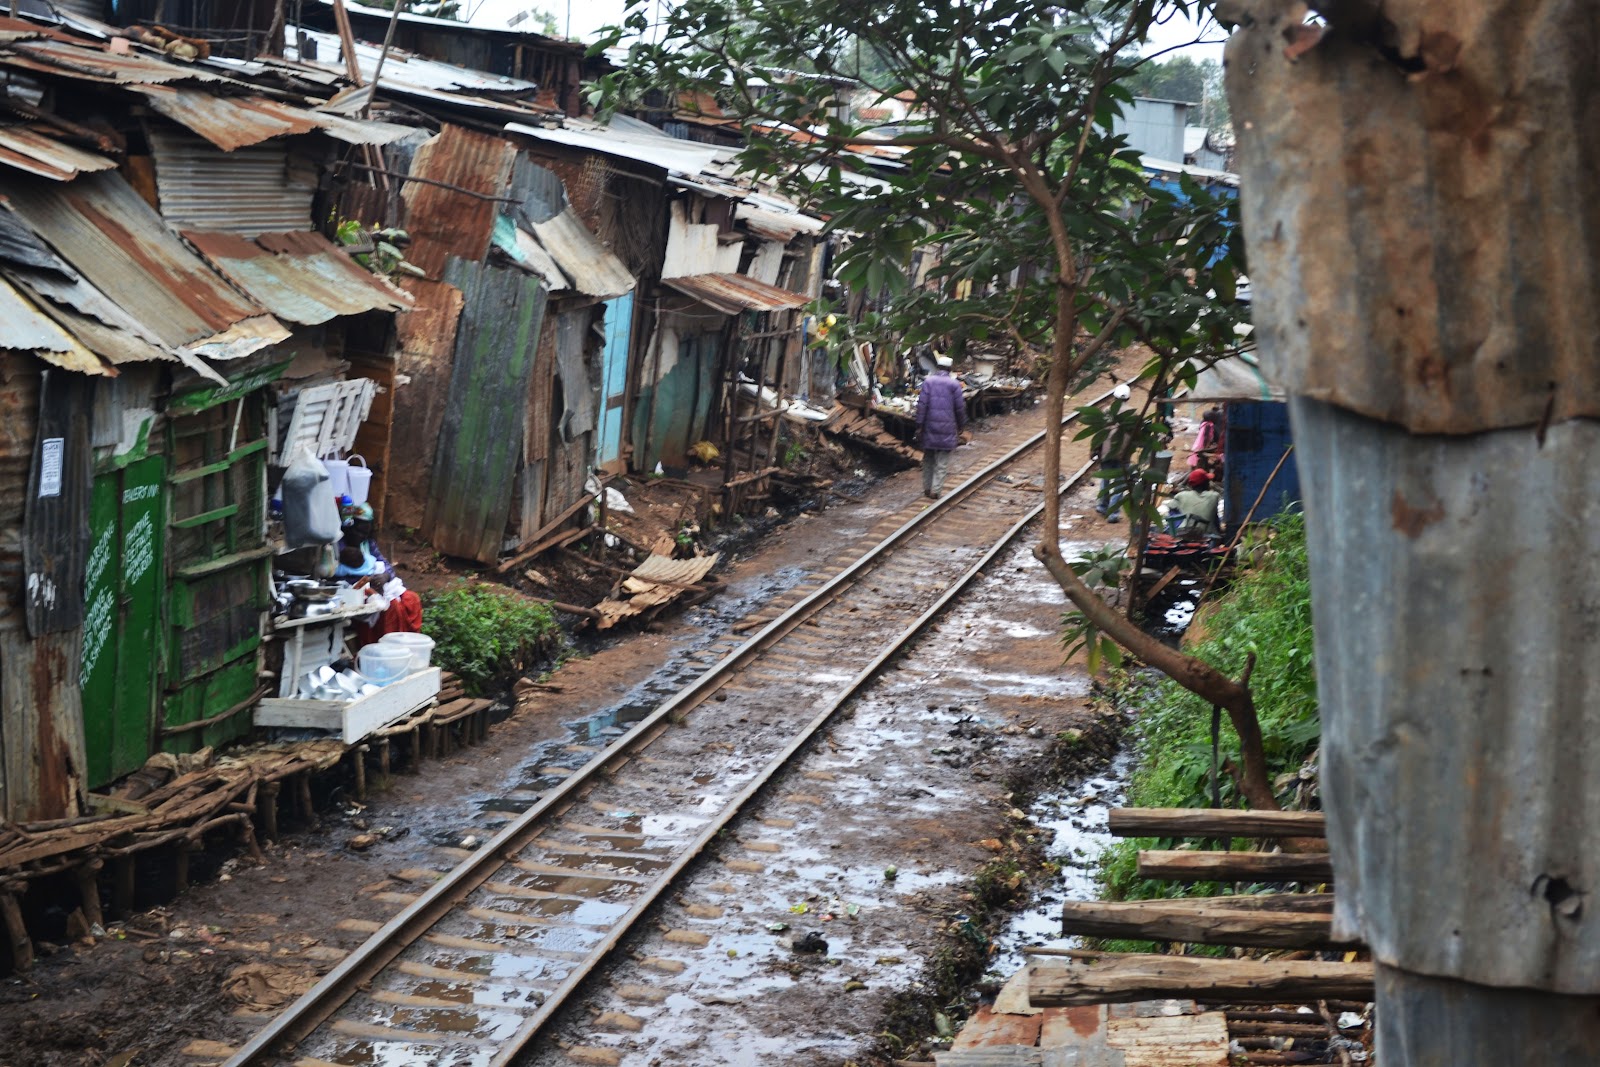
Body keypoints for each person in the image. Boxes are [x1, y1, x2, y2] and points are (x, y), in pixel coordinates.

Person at [915, 352, 967, 499]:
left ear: (937, 367)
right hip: (947, 428)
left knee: (928, 459)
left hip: (929, 428)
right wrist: (961, 425)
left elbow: (922, 406)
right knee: (942, 462)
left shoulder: (928, 382)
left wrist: (919, 425)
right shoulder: (954, 384)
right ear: (949, 369)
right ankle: (935, 490)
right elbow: (959, 408)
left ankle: (926, 488)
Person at [1095, 384, 1135, 521]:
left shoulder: (1107, 411)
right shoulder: (1133, 413)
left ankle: (1103, 506)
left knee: (1105, 479)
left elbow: (1099, 433)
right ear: (1128, 397)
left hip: (1107, 452)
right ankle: (1113, 513)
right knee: (1120, 483)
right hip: (1123, 454)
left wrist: (1094, 450)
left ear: (1114, 396)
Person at [1168, 468, 1222, 538]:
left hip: (1185, 533)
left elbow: (1171, 508)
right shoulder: (1214, 496)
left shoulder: (1181, 495)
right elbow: (1215, 519)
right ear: (1205, 483)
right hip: (1207, 535)